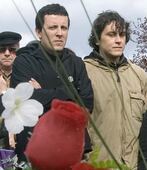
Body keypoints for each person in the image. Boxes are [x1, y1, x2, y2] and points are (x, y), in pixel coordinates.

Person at [10, 3, 93, 161]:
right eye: (53, 27)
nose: (59, 33)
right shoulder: (23, 62)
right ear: (39, 32)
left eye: (64, 28)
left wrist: (43, 94)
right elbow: (24, 104)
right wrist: (70, 92)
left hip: (73, 151)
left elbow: (87, 103)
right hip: (35, 151)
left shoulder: (77, 63)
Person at [84, 11, 147, 170]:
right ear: (97, 39)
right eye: (112, 34)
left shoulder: (138, 74)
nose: (119, 40)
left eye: (122, 35)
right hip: (96, 169)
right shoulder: (83, 71)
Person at [0, 31, 21, 149]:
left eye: (12, 49)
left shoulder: (26, 76)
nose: (7, 53)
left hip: (22, 141)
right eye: (2, 49)